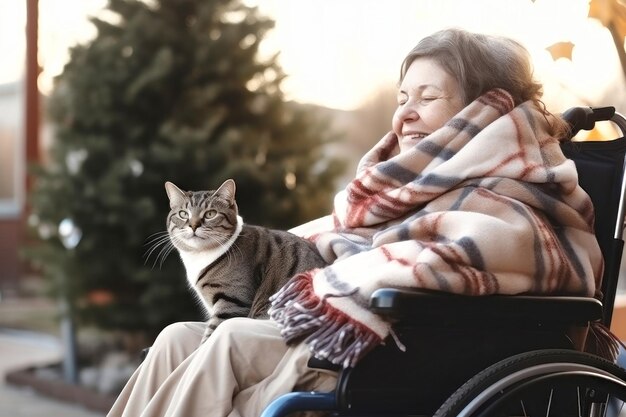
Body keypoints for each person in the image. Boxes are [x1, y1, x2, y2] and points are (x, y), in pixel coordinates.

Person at [107, 28, 603, 417]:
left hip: (410, 347)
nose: (403, 115)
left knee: (232, 341)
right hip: (360, 322)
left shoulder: (512, 188)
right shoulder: (411, 184)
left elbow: (479, 253)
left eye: (425, 98)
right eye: (402, 97)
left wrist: (364, 271)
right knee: (177, 336)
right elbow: (362, 244)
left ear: (482, 109)